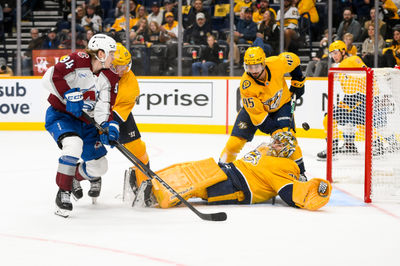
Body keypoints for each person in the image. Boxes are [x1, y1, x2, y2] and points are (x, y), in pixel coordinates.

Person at [130, 132, 331, 211]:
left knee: (195, 186)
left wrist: (314, 188)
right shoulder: (265, 149)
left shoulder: (285, 167)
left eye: (279, 144)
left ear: (286, 151)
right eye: (275, 141)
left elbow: (289, 194)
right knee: (190, 169)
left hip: (236, 187)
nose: (274, 144)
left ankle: (156, 195)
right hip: (229, 170)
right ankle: (150, 180)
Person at [42, 34, 118, 217]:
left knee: (100, 167)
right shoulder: (78, 59)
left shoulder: (110, 77)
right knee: (73, 145)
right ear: (101, 53)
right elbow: (50, 77)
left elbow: (103, 108)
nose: (113, 58)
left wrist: (108, 127)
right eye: (111, 54)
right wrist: (68, 94)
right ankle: (63, 192)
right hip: (62, 116)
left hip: (87, 123)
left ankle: (73, 175)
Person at [71, 43, 150, 202]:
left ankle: (144, 183)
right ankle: (78, 175)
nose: (121, 71)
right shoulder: (94, 69)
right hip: (88, 112)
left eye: (125, 67)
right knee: (92, 155)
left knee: (136, 147)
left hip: (111, 114)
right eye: (116, 66)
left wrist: (106, 129)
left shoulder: (130, 86)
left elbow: (118, 113)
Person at [219, 46, 308, 178]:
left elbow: (294, 60)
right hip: (255, 112)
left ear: (264, 63)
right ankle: (221, 171)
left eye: (256, 66)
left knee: (288, 139)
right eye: (249, 67)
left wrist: (298, 81)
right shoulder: (246, 85)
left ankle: (301, 173)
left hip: (281, 106)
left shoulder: (277, 63)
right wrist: (274, 130)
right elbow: (259, 117)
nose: (253, 71)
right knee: (234, 142)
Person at [316, 40, 367, 160]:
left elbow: (366, 75)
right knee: (343, 119)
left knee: (333, 118)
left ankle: (333, 148)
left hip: (359, 97)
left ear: (343, 51)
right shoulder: (346, 63)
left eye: (335, 53)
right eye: (331, 54)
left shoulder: (350, 61)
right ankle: (349, 145)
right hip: (355, 98)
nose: (333, 56)